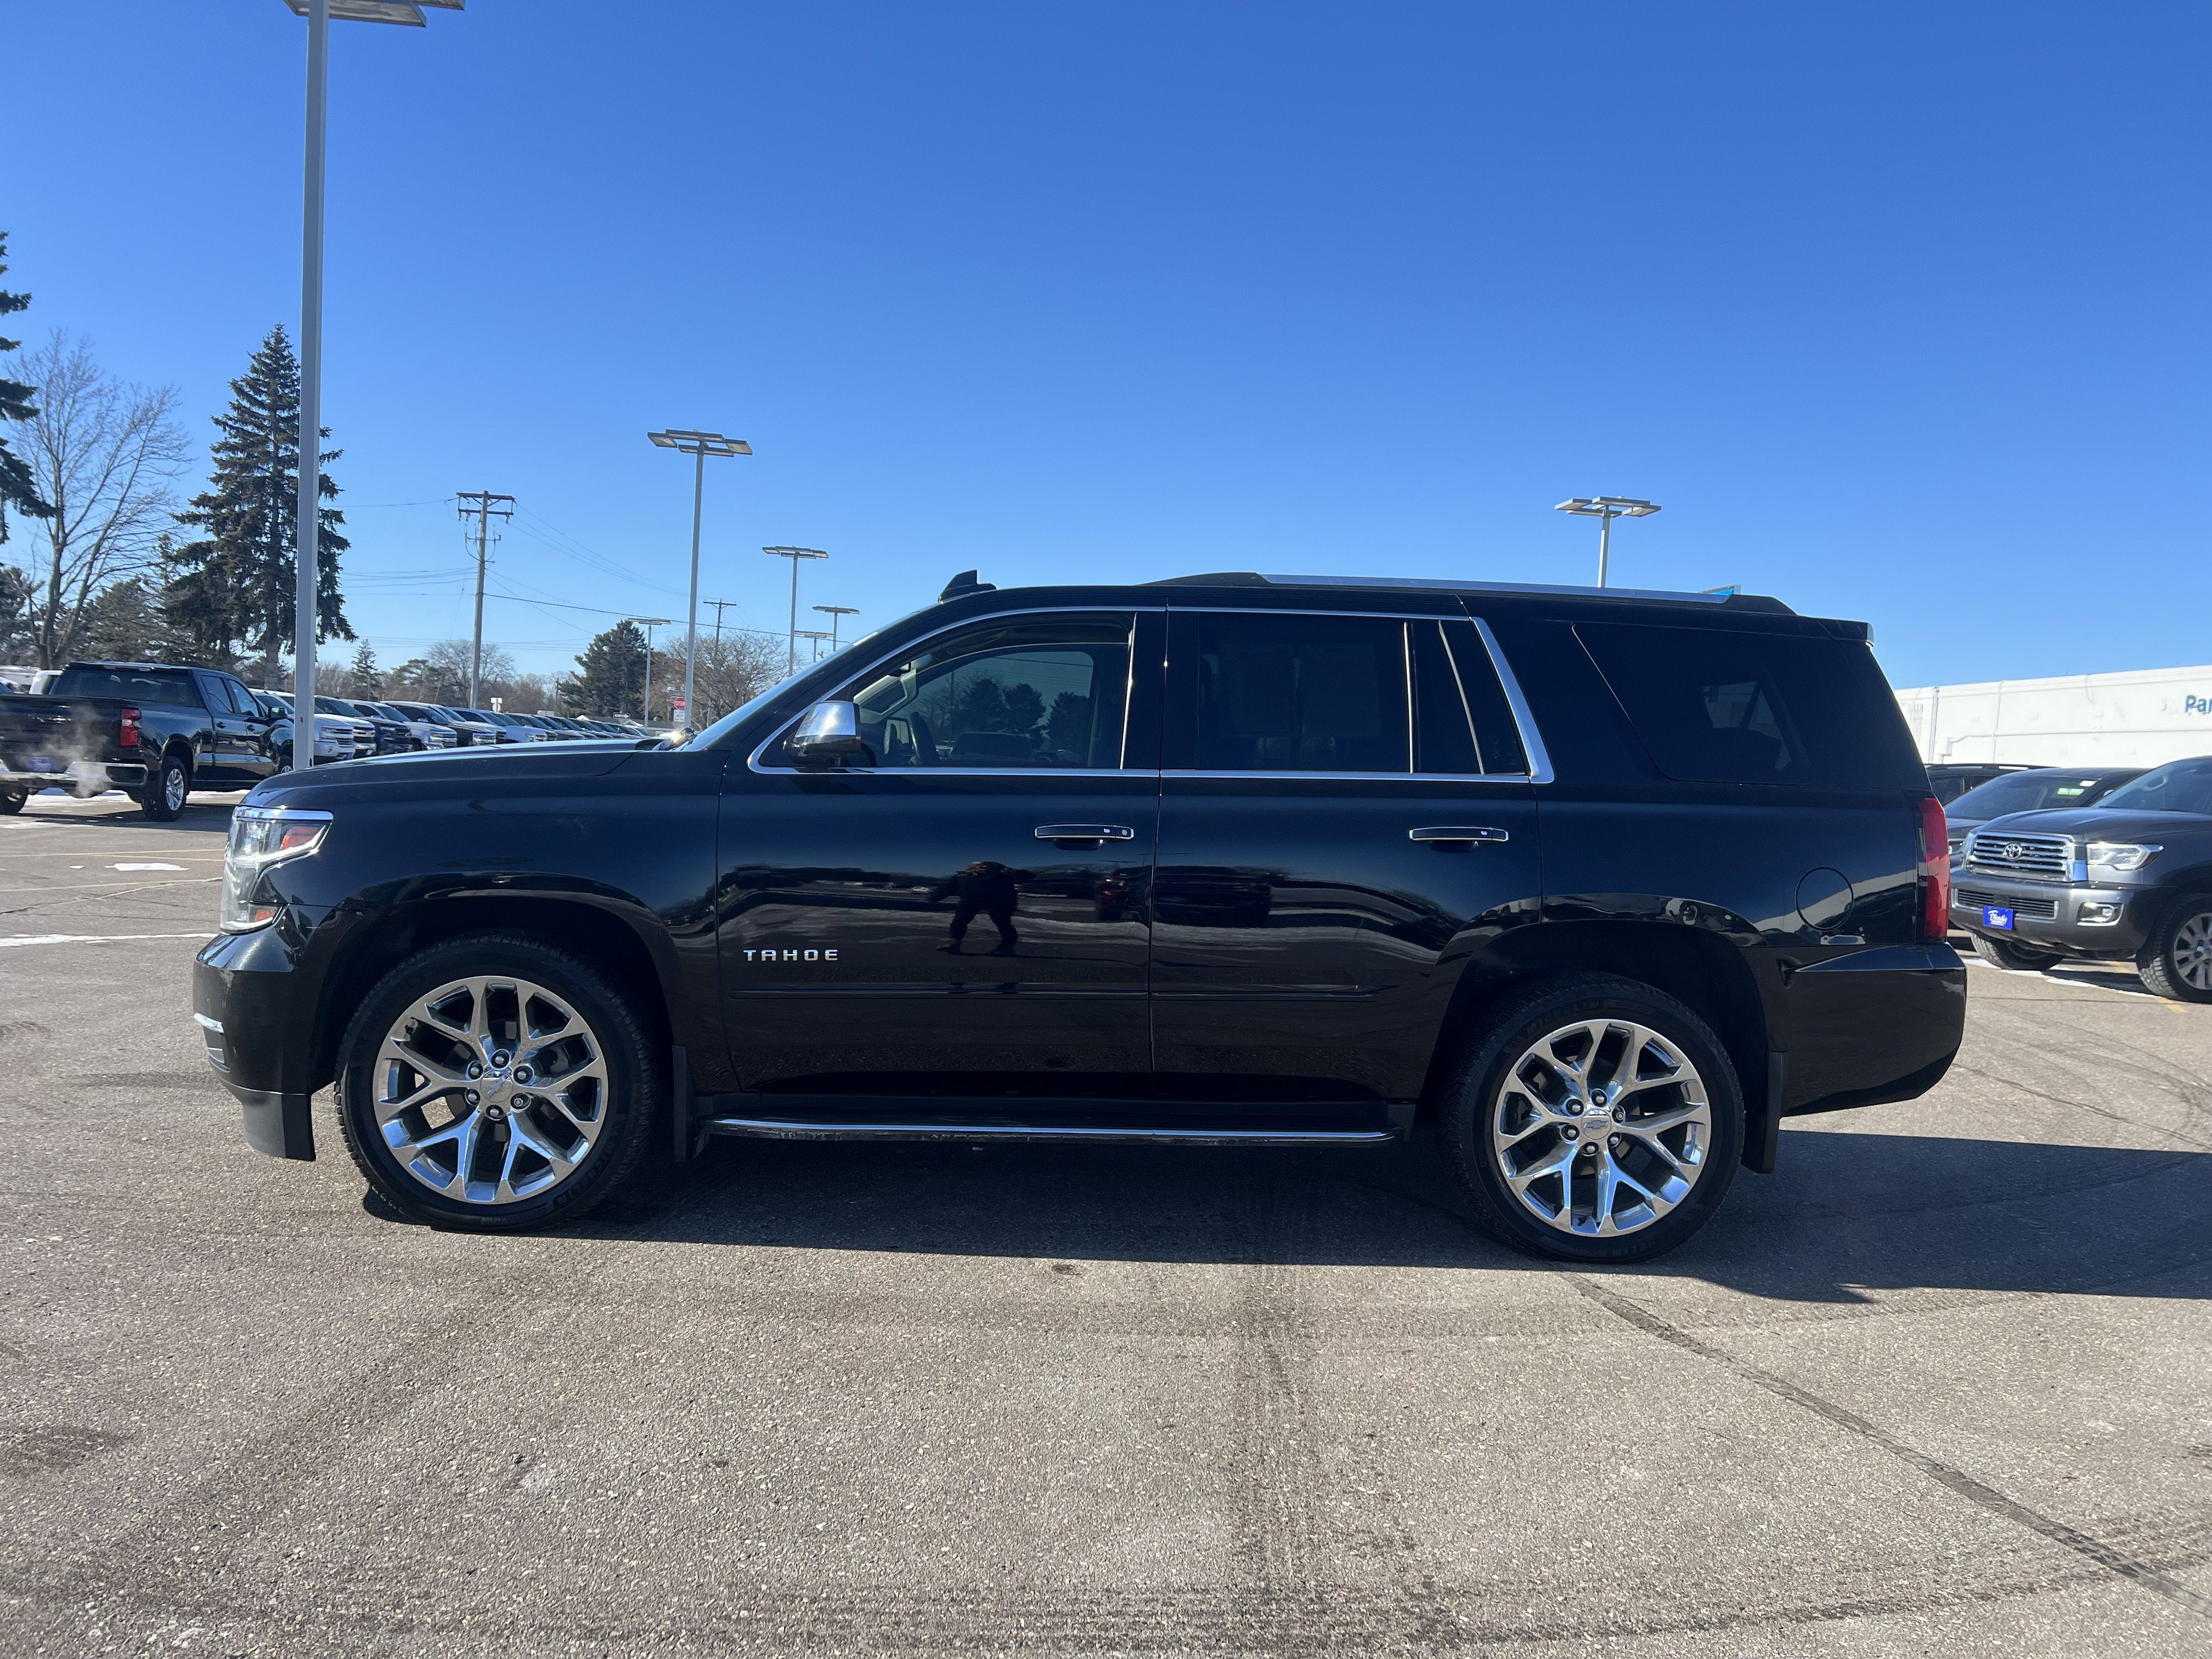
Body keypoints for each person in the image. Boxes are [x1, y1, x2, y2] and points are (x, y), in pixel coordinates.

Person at [929, 860, 1022, 955]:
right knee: (959, 920)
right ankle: (954, 943)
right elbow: (947, 888)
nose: (983, 868)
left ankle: (1007, 947)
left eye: (985, 867)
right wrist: (934, 897)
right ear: (972, 868)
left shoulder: (1000, 875)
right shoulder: (961, 877)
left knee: (1003, 922)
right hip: (970, 900)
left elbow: (1028, 876)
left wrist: (1012, 872)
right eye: (980, 866)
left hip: (997, 901)